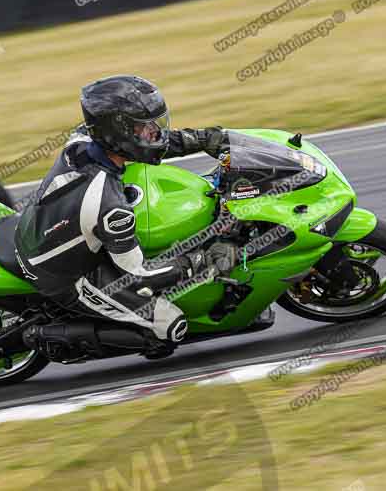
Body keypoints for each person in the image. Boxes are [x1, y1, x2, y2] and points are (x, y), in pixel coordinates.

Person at [14, 75, 235, 356]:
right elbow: (139, 275)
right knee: (170, 327)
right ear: (117, 132)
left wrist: (202, 140)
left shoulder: (85, 137)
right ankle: (49, 336)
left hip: (47, 229)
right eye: (146, 128)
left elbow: (151, 145)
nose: (155, 132)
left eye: (157, 124)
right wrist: (202, 261)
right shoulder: (109, 205)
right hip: (66, 275)